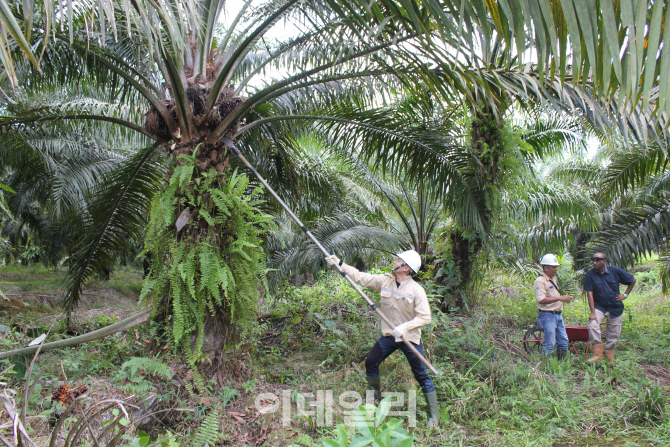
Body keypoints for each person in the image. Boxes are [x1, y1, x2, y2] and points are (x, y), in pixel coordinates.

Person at [325, 250, 439, 427]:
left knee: (421, 375)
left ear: (406, 268)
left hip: (410, 339)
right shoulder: (385, 280)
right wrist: (340, 264)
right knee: (371, 361)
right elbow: (361, 277)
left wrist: (404, 327)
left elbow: (425, 317)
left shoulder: (417, 290)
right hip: (389, 336)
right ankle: (374, 399)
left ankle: (434, 417)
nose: (395, 261)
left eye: (399, 260)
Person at [583, 253, 636, 363]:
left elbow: (632, 280)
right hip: (599, 307)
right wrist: (592, 312)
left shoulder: (614, 271)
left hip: (615, 306)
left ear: (604, 261)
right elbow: (589, 294)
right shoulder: (590, 274)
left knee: (614, 332)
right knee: (592, 324)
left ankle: (609, 357)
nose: (594, 262)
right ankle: (597, 355)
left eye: (598, 260)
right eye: (593, 259)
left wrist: (625, 295)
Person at [533, 254, 574, 359]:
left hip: (557, 315)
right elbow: (541, 300)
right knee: (549, 343)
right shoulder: (540, 282)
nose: (556, 269)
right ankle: (546, 367)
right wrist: (560, 298)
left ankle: (561, 365)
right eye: (554, 267)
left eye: (556, 267)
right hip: (548, 316)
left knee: (563, 341)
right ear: (546, 268)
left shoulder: (553, 279)